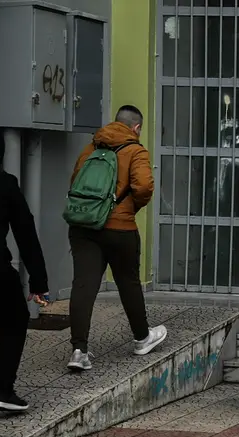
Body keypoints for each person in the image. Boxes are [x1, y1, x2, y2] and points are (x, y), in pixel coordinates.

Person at [66, 105, 166, 371]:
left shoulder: (91, 147)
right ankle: (142, 338)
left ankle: (79, 350)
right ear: (136, 128)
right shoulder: (135, 150)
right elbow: (143, 187)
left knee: (83, 285)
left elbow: (75, 181)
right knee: (128, 282)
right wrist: (129, 208)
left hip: (84, 226)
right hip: (119, 228)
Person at [0, 120, 49, 411]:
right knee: (14, 320)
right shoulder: (4, 183)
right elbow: (26, 233)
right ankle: (2, 389)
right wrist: (39, 281)